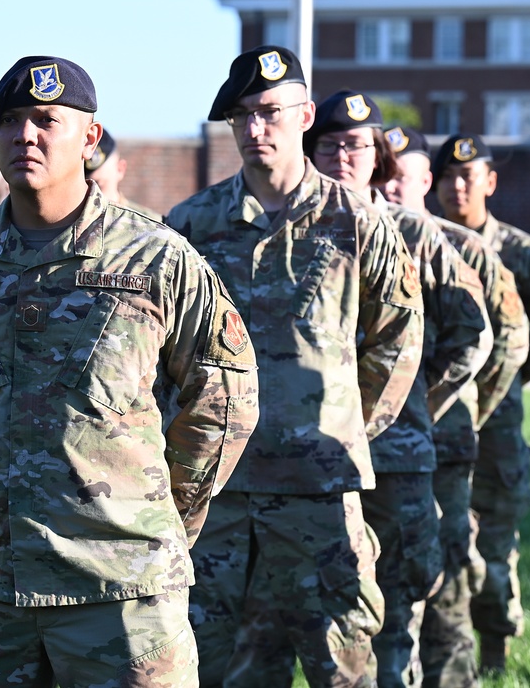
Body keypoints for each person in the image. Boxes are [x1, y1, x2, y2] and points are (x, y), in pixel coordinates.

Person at [0, 54, 260, 686]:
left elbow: (224, 396)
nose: (24, 136)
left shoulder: (157, 259)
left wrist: (159, 517)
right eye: (8, 122)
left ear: (90, 137)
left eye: (44, 120)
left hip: (121, 591)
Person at [168, 47, 424, 688]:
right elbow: (157, 344)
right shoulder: (192, 226)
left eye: (271, 113)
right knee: (218, 663)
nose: (256, 129)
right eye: (243, 116)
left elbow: (398, 335)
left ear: (305, 115)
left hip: (319, 488)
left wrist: (348, 425)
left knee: (342, 661)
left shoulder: (356, 219)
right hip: (216, 492)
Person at [305, 93, 492, 688]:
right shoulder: (293, 227)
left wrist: (409, 407)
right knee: (315, 610)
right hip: (312, 459)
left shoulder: (413, 233)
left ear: (379, 159)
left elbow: (471, 334)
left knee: (397, 603)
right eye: (330, 145)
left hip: (396, 458)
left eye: (357, 146)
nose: (343, 157)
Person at [384, 127, 530, 688]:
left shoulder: (461, 249)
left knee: (446, 570)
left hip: (444, 441)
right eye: (387, 173)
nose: (395, 186)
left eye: (407, 176)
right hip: (369, 446)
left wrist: (459, 407)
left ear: (425, 182)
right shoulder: (349, 235)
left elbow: (508, 341)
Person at [433, 133, 530, 675]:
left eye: (467, 177)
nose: (456, 186)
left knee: (494, 536)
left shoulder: (520, 252)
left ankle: (496, 645)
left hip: (496, 424)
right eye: (446, 176)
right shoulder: (419, 240)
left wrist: (505, 380)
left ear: (490, 183)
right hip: (440, 418)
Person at [84, 128, 161, 218]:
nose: (92, 194)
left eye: (99, 185)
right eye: (85, 186)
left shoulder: (149, 224)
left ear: (120, 169)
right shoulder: (69, 223)